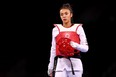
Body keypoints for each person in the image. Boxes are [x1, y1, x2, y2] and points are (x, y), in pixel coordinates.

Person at [47, 3, 89, 77]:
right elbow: (53, 49)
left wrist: (76, 45)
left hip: (75, 65)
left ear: (71, 14)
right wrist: (50, 67)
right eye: (62, 14)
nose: (64, 16)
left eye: (66, 13)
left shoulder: (78, 28)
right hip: (60, 65)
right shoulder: (56, 29)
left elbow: (86, 48)